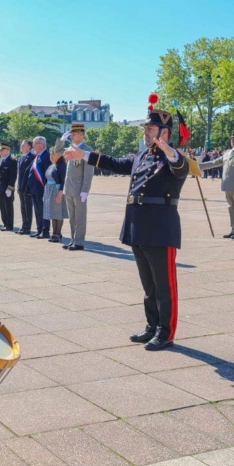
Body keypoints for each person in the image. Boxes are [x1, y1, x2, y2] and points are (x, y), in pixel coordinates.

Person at [64, 108, 188, 351]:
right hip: (139, 226)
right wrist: (83, 154)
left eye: (150, 129)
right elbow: (115, 162)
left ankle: (166, 332)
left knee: (165, 286)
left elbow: (181, 167)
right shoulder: (142, 157)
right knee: (148, 285)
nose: (145, 132)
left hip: (161, 229)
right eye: (145, 129)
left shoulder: (172, 158)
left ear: (164, 132)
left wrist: (170, 151)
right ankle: (152, 326)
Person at [197, 130, 234, 239]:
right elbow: (215, 162)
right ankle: (233, 229)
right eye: (232, 138)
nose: (232, 140)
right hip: (228, 186)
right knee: (231, 208)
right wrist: (198, 166)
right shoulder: (228, 152)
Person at [62, 123, 94, 251]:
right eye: (71, 135)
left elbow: (88, 172)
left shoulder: (87, 150)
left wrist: (85, 190)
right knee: (72, 218)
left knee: (80, 217)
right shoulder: (71, 148)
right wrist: (61, 141)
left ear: (81, 134)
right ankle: (73, 239)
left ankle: (79, 242)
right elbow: (57, 153)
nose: (72, 137)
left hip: (79, 189)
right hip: (68, 188)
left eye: (74, 134)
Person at [44, 146, 68, 242]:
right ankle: (54, 233)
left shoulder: (62, 166)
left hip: (57, 191)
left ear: (58, 155)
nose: (51, 156)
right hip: (49, 191)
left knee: (58, 213)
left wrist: (60, 193)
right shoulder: (51, 166)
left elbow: (63, 181)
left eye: (52, 154)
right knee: (53, 213)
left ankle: (58, 234)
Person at [28, 137, 50, 239]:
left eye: (34, 143)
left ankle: (45, 231)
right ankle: (39, 229)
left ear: (41, 144)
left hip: (42, 188)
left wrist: (46, 187)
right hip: (35, 189)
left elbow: (47, 173)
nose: (33, 146)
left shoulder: (47, 156)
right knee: (37, 210)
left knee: (43, 210)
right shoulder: (38, 156)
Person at [0, 142, 17, 232]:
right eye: (0, 150)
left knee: (8, 207)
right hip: (0, 187)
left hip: (7, 188)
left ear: (8, 150)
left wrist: (10, 188)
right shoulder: (0, 160)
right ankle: (5, 223)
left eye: (2, 150)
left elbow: (13, 176)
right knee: (2, 206)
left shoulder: (12, 161)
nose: (0, 151)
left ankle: (9, 225)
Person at [16, 140, 35, 234]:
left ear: (29, 147)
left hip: (27, 188)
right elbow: (20, 174)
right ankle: (24, 226)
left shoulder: (32, 158)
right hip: (21, 187)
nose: (22, 146)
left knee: (28, 208)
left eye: (24, 145)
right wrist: (18, 186)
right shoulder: (21, 158)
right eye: (22, 145)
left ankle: (27, 228)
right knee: (23, 207)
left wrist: (26, 187)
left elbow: (29, 175)